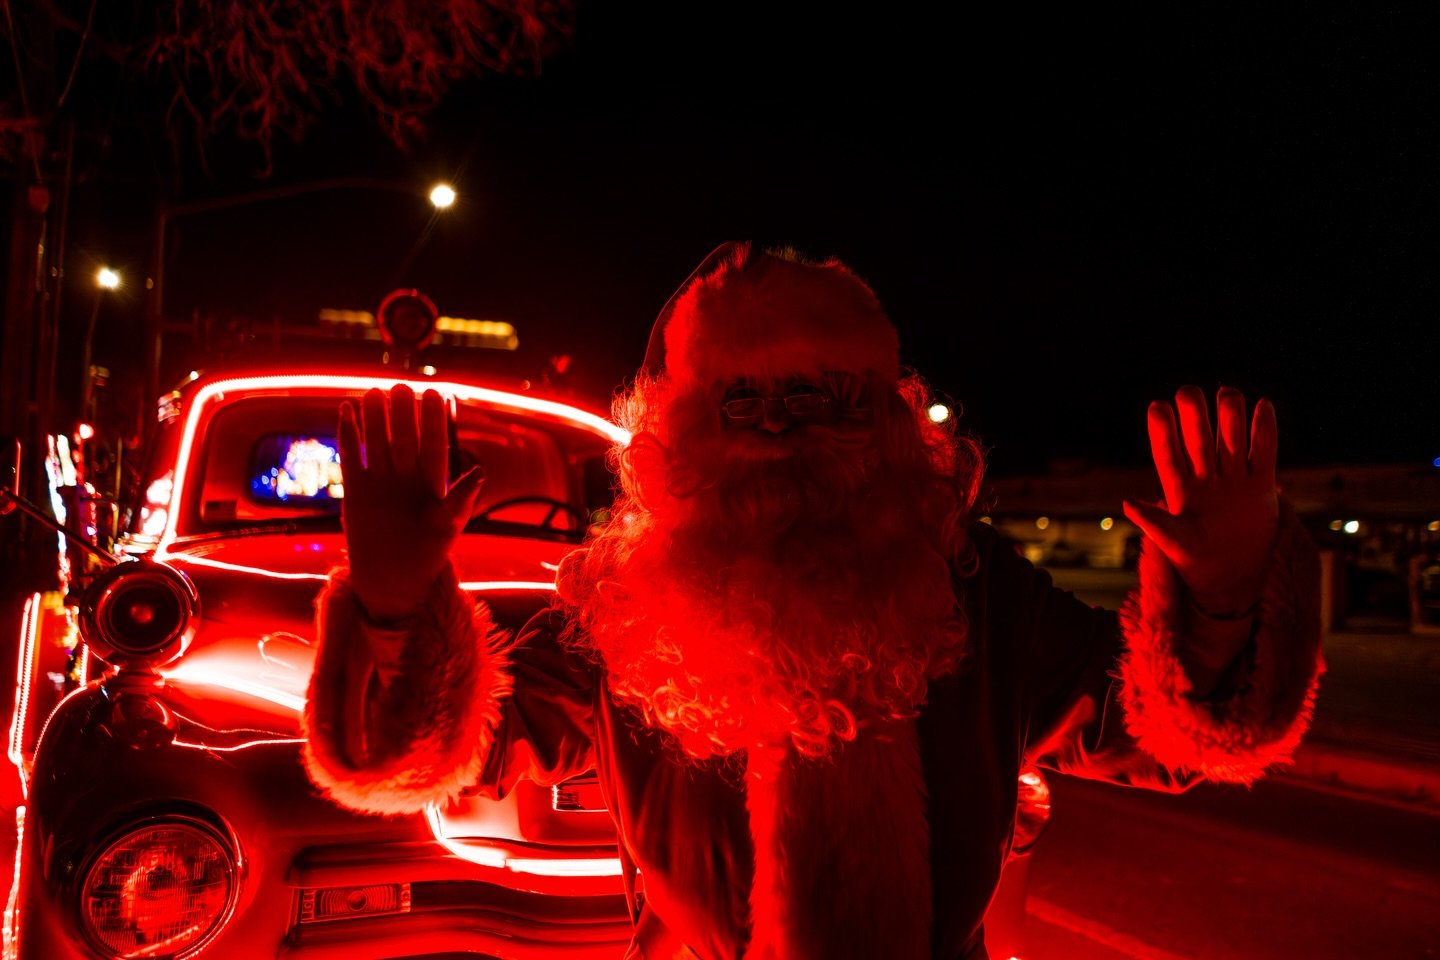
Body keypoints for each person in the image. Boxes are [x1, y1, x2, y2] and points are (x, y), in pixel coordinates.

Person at [302, 242, 1323, 959]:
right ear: (680, 432)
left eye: (819, 396)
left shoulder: (969, 587)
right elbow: (454, 753)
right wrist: (396, 610)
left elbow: (1158, 730)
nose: (780, 428)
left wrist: (1222, 599)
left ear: (883, 418)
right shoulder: (628, 604)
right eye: (742, 399)